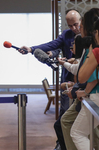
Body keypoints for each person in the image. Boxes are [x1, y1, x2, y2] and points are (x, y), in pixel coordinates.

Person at [19, 9, 81, 150]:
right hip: (67, 81)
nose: (73, 28)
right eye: (70, 25)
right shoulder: (66, 34)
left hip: (83, 82)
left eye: (76, 25)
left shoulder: (87, 34)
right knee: (64, 116)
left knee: (78, 121)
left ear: (81, 21)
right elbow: (52, 45)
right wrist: (31, 49)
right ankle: (61, 144)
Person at [71, 8, 99, 150]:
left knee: (77, 133)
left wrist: (89, 50)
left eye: (81, 26)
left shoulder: (95, 50)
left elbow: (84, 77)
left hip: (96, 96)